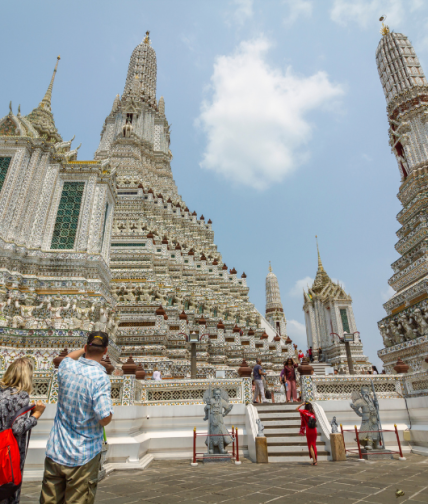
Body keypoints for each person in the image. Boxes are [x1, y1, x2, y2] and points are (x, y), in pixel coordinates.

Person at [39, 331, 113, 504]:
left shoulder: (67, 367)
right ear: (106, 351)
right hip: (83, 455)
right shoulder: (100, 378)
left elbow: (68, 357)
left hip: (56, 450)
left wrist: (84, 349)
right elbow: (104, 418)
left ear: (86, 347)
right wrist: (109, 412)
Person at [0, 358, 46, 504]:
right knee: (9, 488)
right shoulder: (20, 395)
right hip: (9, 450)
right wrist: (36, 414)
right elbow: (18, 428)